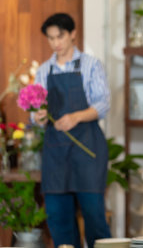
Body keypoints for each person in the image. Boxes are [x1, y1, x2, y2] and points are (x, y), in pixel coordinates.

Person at [34, 13, 111, 248]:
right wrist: (38, 116)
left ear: (72, 34)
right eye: (51, 38)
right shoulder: (44, 71)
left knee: (94, 217)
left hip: (86, 150)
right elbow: (36, 112)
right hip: (56, 153)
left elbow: (103, 104)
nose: (56, 42)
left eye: (60, 36)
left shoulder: (90, 65)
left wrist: (75, 116)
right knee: (58, 218)